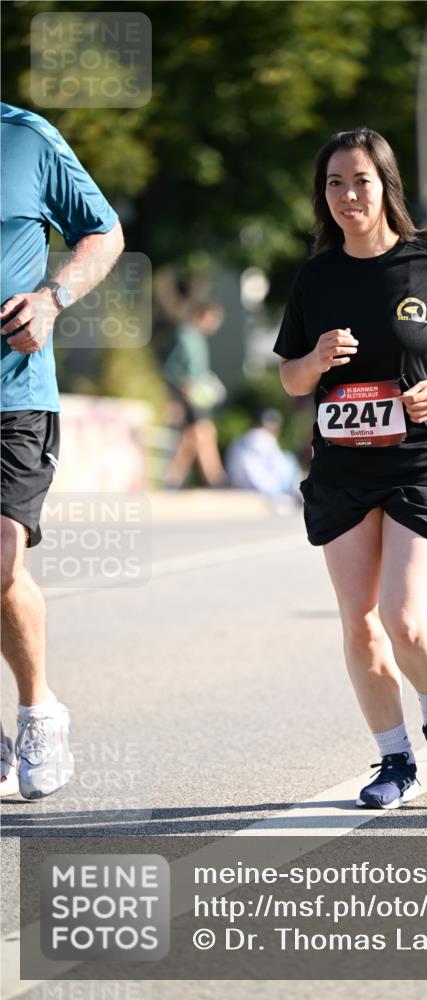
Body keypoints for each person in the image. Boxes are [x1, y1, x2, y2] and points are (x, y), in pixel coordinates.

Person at [274, 127, 427, 810]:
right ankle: (392, 761)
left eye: (359, 181)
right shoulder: (316, 276)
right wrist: (313, 360)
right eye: (334, 183)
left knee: (402, 615)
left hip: (418, 459)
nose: (346, 194)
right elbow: (289, 378)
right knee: (360, 623)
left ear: (385, 187)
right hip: (342, 467)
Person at [0, 104, 124, 799]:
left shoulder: (25, 137)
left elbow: (103, 233)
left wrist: (51, 299)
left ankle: (37, 708)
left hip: (13, 392)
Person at [162, 301, 226, 488]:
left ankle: (173, 478)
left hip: (198, 398)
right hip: (186, 397)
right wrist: (182, 389)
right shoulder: (185, 335)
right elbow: (170, 368)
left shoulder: (197, 337)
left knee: (194, 436)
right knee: (203, 432)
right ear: (203, 315)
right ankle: (216, 478)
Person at [226, 409, 300, 502]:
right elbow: (278, 466)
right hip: (264, 489)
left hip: (240, 485)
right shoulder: (264, 437)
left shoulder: (239, 438)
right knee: (290, 459)